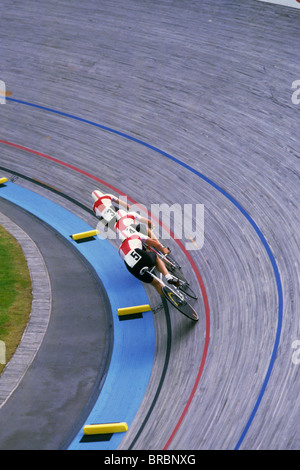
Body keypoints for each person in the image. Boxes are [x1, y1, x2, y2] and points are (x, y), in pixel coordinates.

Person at [118, 232, 179, 296]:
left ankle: (172, 300)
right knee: (156, 259)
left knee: (156, 284)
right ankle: (168, 277)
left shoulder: (119, 250)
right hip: (140, 255)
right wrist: (164, 251)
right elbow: (156, 244)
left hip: (132, 267)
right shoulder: (135, 235)